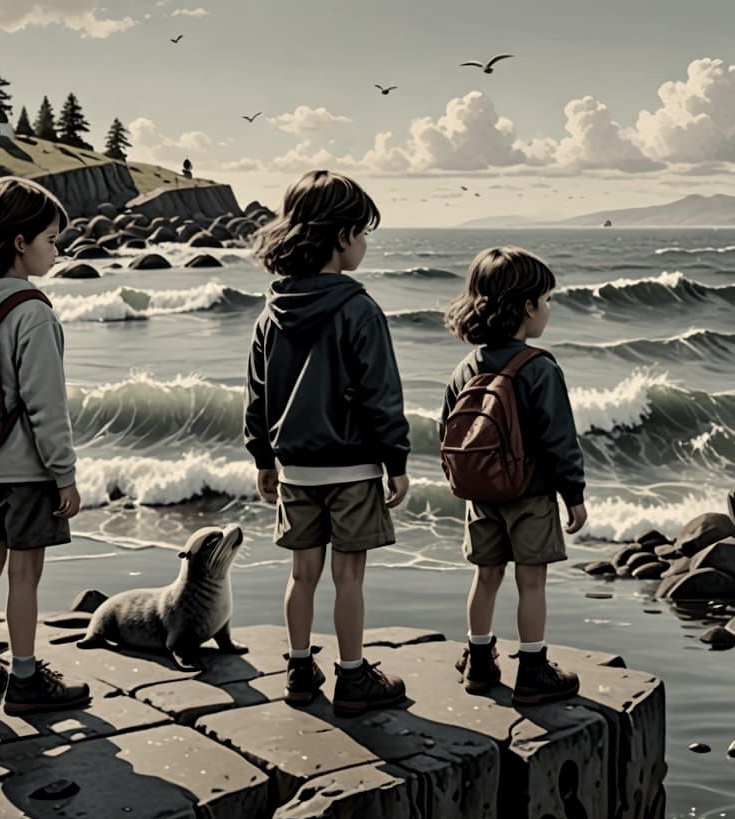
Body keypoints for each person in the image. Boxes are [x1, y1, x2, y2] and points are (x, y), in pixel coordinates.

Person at [245, 169, 411, 717]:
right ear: (341, 237)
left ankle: (297, 668)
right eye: (362, 234)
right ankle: (353, 675)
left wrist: (263, 457)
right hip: (352, 466)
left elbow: (258, 394)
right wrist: (396, 461)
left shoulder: (271, 313)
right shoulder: (359, 309)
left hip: (296, 470)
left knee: (301, 574)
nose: (364, 245)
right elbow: (381, 394)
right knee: (349, 577)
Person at [0, 176, 91, 715]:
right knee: (25, 575)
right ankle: (27, 680)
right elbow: (45, 405)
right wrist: (65, 474)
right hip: (27, 471)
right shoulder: (32, 311)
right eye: (50, 241)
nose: (56, 251)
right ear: (18, 243)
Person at [440, 247, 588, 704]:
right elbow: (559, 439)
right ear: (526, 307)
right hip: (531, 493)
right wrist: (574, 495)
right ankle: (533, 669)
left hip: (480, 495)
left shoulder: (465, 368)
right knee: (531, 581)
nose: (547, 309)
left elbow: (447, 429)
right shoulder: (539, 367)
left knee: (486, 577)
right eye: (545, 300)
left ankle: (479, 661)